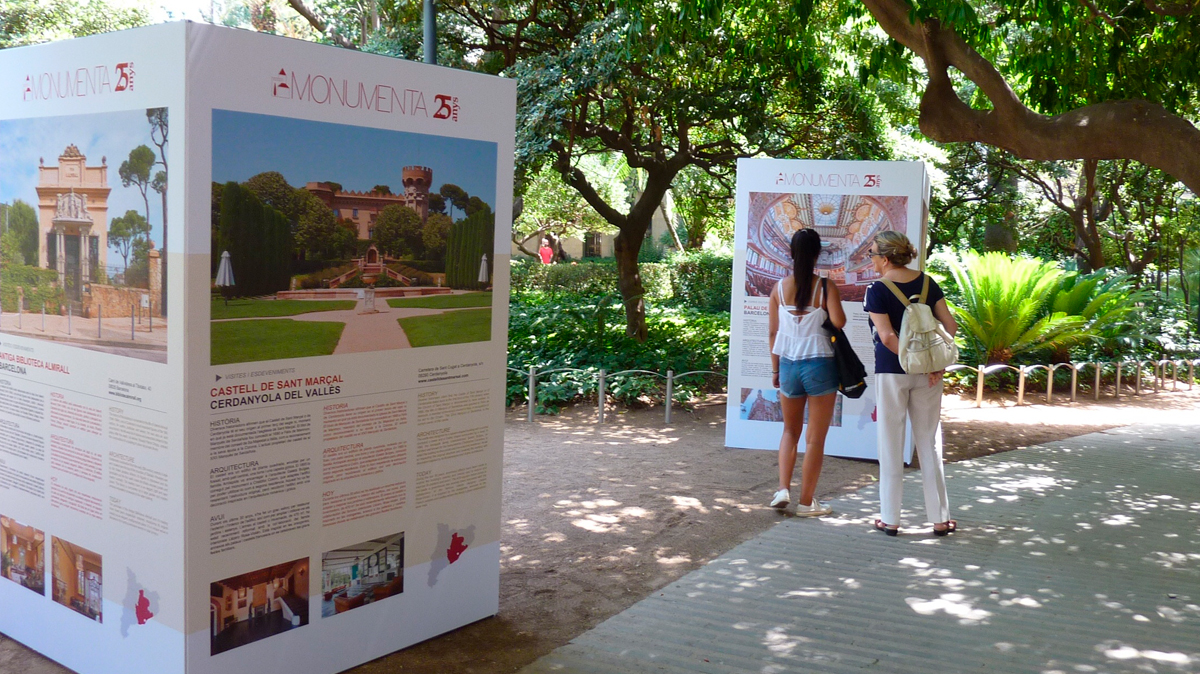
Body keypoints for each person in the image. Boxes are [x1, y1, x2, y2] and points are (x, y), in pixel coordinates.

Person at [863, 231, 958, 536]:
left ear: (886, 258)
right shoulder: (929, 283)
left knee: (890, 442)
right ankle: (940, 518)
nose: (872, 258)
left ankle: (890, 519)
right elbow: (951, 326)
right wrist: (931, 363)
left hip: (892, 371)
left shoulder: (877, 289)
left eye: (873, 253)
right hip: (929, 373)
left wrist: (909, 360)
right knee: (929, 442)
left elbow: (888, 337)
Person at [768, 228, 846, 516]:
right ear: (817, 255)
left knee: (789, 430)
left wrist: (775, 369)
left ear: (790, 252)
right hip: (820, 365)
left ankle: (782, 489)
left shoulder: (777, 289)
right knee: (815, 438)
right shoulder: (825, 287)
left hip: (788, 364)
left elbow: (773, 332)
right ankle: (806, 503)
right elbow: (838, 322)